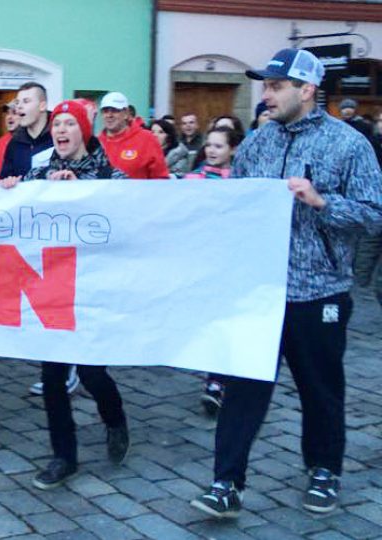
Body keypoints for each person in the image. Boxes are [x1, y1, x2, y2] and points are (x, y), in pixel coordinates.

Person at [190, 48, 382, 518]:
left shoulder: (349, 143)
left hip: (319, 293)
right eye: (265, 85)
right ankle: (226, 483)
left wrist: (321, 202)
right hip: (259, 290)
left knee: (320, 389)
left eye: (276, 86)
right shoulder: (257, 141)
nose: (266, 94)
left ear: (307, 90)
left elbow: (374, 215)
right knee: (243, 389)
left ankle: (323, 470)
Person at [0, 100, 131, 487]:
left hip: (91, 289)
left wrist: (87, 192)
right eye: (57, 123)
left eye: (70, 123)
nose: (61, 130)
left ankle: (115, 419)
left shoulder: (109, 172)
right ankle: (63, 455)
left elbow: (129, 213)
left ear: (84, 131)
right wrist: (12, 189)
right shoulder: (40, 168)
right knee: (53, 376)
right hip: (50, 288)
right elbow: (18, 211)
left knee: (91, 372)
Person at [183, 126, 244, 415]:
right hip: (202, 260)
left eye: (219, 146)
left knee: (227, 321)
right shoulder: (192, 178)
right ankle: (215, 377)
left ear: (232, 149)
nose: (212, 150)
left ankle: (218, 382)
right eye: (209, 145)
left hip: (231, 262)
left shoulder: (242, 181)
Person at [98, 92, 169, 179]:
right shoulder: (96, 143)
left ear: (126, 113)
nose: (109, 115)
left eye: (114, 110)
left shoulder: (147, 139)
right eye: (105, 111)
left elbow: (161, 178)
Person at [0, 82, 52, 180]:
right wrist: (8, 181)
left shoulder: (59, 137)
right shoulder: (14, 143)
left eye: (26, 101)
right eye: (17, 102)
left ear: (42, 106)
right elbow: (4, 177)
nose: (19, 106)